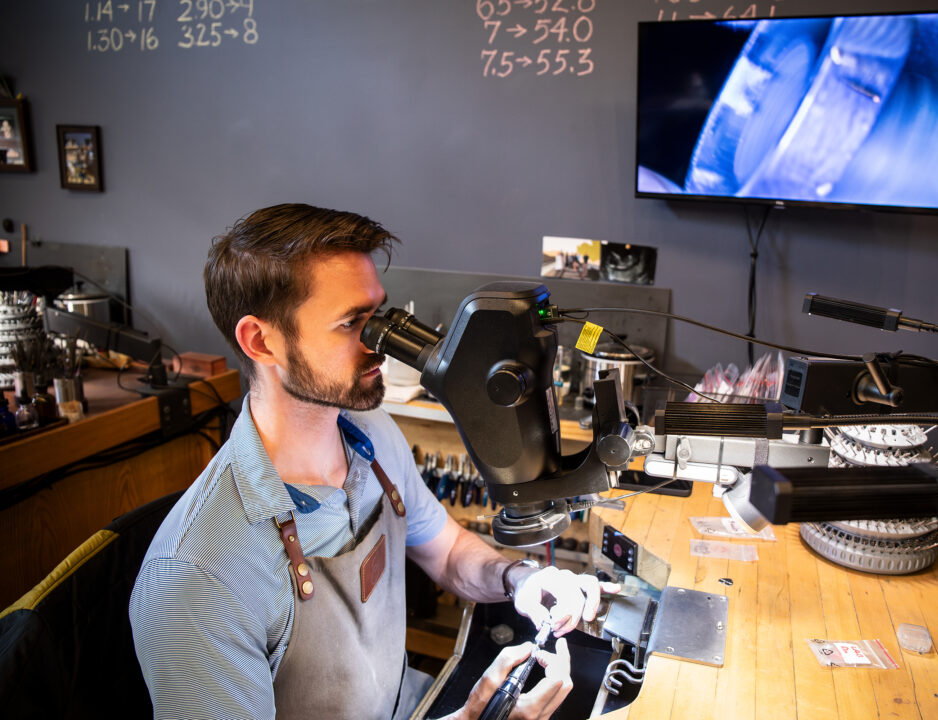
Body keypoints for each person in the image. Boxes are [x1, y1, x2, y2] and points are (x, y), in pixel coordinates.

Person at [130, 204, 618, 719]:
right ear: (260, 341)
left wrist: (520, 580)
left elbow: (448, 552)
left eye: (378, 316)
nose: (380, 345)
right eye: (351, 323)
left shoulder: (373, 433)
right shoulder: (196, 579)